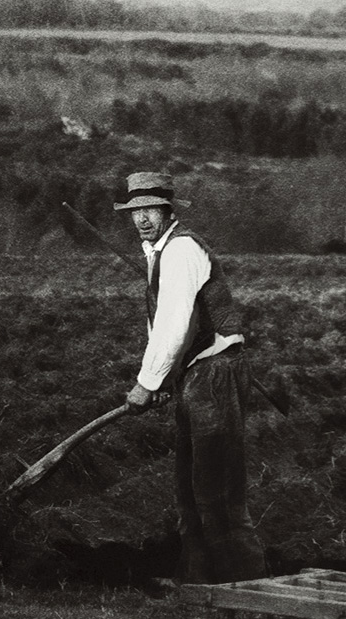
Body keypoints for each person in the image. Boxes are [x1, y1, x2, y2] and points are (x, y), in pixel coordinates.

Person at [115, 172, 267, 585]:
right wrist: (165, 381)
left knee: (214, 491)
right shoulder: (160, 252)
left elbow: (173, 326)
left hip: (214, 375)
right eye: (135, 212)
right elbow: (167, 326)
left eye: (150, 210)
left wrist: (147, 383)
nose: (142, 219)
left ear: (167, 212)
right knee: (189, 487)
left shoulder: (181, 250)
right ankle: (199, 582)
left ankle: (244, 587)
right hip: (197, 376)